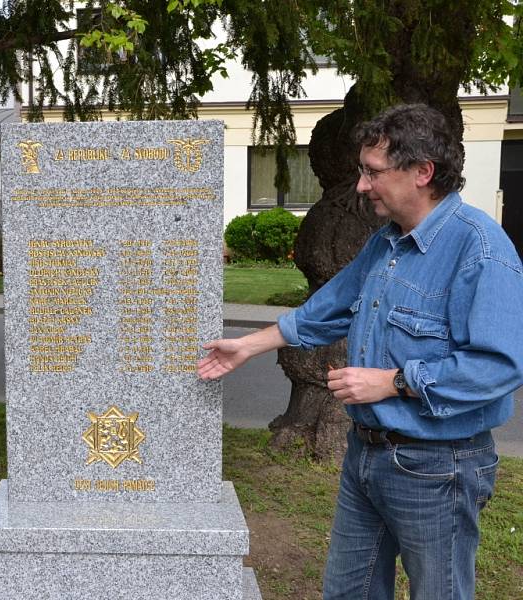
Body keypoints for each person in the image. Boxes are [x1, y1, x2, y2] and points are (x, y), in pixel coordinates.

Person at [198, 103, 523, 599]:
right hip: (366, 455)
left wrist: (393, 381)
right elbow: (328, 306)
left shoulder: (480, 249)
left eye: (373, 173)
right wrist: (248, 344)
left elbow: (497, 367)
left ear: (422, 172)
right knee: (348, 591)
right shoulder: (386, 243)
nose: (362, 186)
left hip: (439, 466)